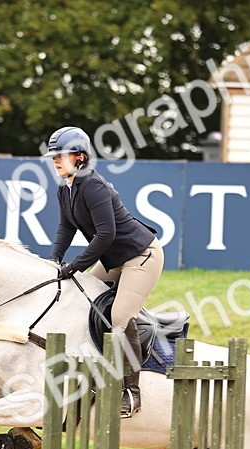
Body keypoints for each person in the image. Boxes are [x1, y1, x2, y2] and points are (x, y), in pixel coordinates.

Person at [45, 125, 163, 418]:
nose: (56, 161)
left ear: (81, 157)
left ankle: (132, 393)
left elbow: (105, 235)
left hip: (141, 256)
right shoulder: (66, 188)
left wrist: (75, 266)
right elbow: (66, 227)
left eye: (61, 155)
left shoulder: (93, 185)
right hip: (115, 260)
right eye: (54, 156)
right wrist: (54, 260)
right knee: (77, 299)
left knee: (120, 317)